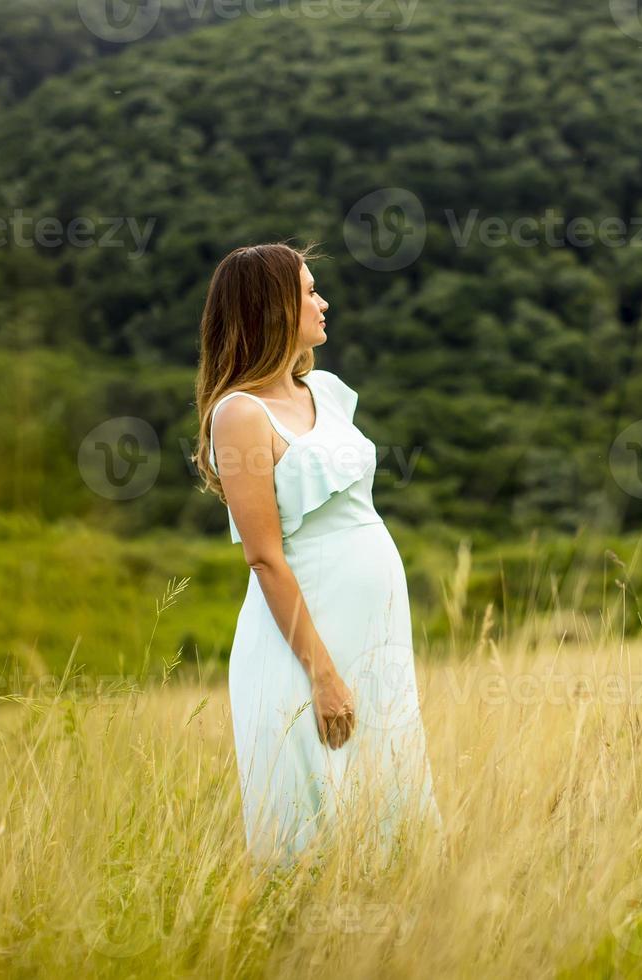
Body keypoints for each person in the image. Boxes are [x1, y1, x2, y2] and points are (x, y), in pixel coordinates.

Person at [194, 242, 442, 866]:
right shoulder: (239, 415)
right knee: (314, 822)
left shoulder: (326, 391)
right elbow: (264, 557)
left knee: (389, 795)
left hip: (376, 635)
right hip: (302, 648)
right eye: (309, 290)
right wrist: (322, 674)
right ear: (272, 307)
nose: (323, 301)